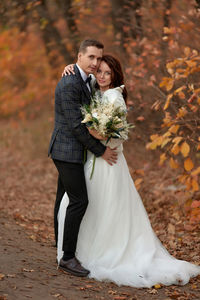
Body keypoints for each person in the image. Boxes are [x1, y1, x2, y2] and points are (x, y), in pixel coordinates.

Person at [57, 55, 200, 287]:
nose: (102, 76)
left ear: (115, 76)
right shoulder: (95, 88)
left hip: (108, 160)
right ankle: (75, 251)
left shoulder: (115, 97)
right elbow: (82, 74)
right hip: (93, 158)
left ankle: (108, 251)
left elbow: (119, 134)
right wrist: (70, 66)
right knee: (85, 204)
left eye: (107, 73)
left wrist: (94, 134)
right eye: (100, 71)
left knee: (107, 207)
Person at [48, 40, 118, 278]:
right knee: (80, 201)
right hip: (67, 151)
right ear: (79, 56)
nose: (95, 63)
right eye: (91, 57)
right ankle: (67, 257)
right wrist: (101, 150)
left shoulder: (85, 78)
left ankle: (60, 245)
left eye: (98, 58)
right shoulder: (69, 83)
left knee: (64, 198)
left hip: (71, 150)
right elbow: (77, 127)